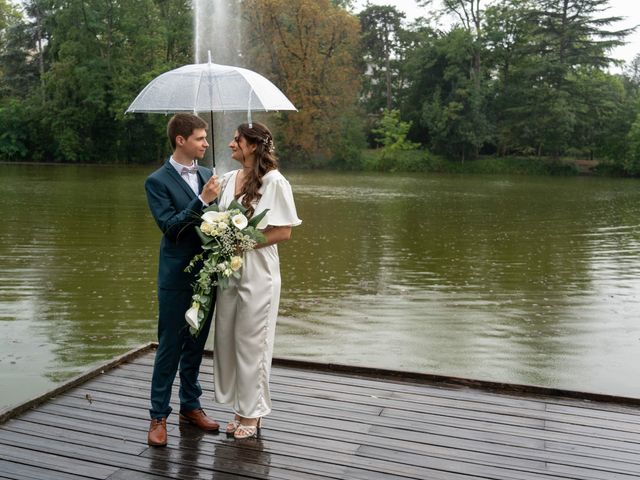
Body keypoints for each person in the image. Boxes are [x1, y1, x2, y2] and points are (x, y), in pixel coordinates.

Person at [214, 122, 301, 439]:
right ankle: (239, 407)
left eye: (236, 139)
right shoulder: (226, 180)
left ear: (253, 146)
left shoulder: (274, 182)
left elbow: (283, 231)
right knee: (228, 340)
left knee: (253, 343)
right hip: (229, 271)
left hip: (258, 272)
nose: (230, 144)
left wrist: (241, 244)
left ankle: (253, 414)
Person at [144, 113, 221, 447]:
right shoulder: (157, 181)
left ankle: (190, 406)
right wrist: (202, 200)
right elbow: (171, 228)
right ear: (181, 140)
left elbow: (218, 221)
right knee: (171, 347)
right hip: (176, 277)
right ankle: (158, 416)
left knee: (196, 345)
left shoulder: (209, 174)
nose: (206, 143)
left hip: (209, 273)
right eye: (201, 138)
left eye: (205, 138)